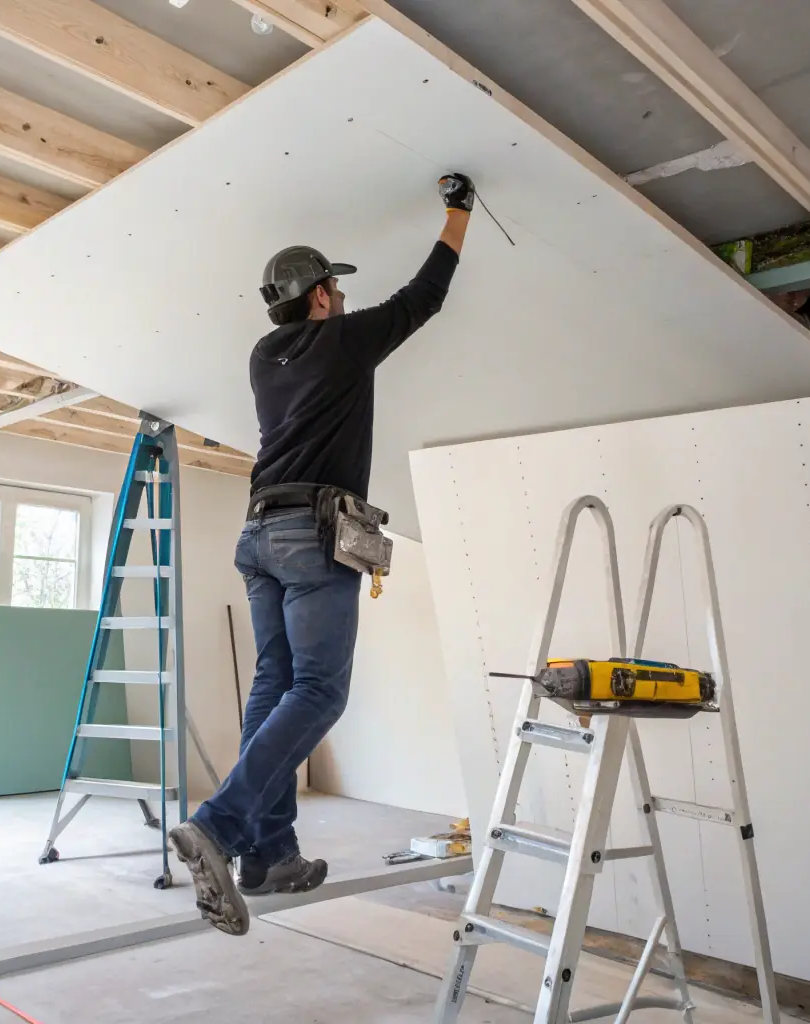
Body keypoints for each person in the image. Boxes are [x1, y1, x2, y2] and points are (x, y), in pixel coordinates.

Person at [168, 172, 477, 936]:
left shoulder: (261, 354)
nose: (340, 298)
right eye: (333, 288)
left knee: (273, 688)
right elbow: (422, 296)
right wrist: (456, 212)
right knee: (319, 692)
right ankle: (221, 824)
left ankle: (271, 857)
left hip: (258, 534)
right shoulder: (339, 342)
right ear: (316, 297)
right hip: (308, 536)